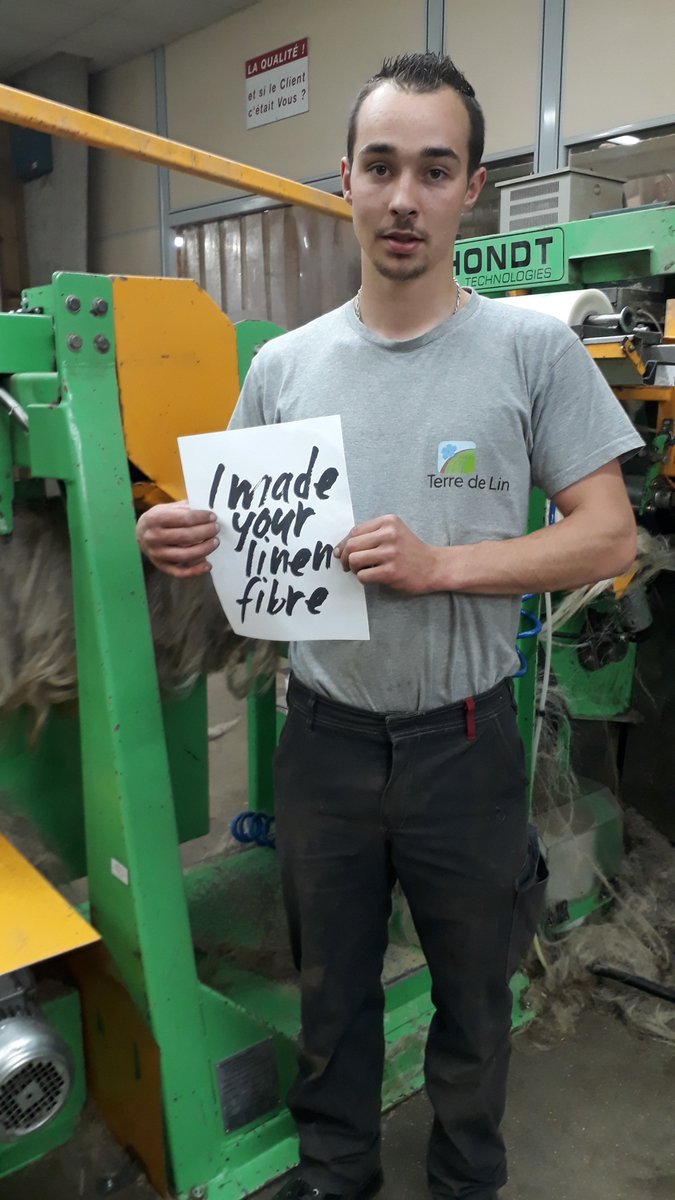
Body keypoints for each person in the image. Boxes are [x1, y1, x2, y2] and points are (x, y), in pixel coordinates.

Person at [137, 52, 642, 1200]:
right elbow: (242, 550)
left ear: (470, 188)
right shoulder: (283, 366)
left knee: (475, 987)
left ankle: (467, 1173)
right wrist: (179, 543)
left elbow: (609, 537)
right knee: (333, 986)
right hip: (322, 739)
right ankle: (338, 1168)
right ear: (348, 182)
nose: (404, 196)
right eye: (380, 167)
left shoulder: (531, 350)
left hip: (463, 744)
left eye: (434, 168)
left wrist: (441, 565)